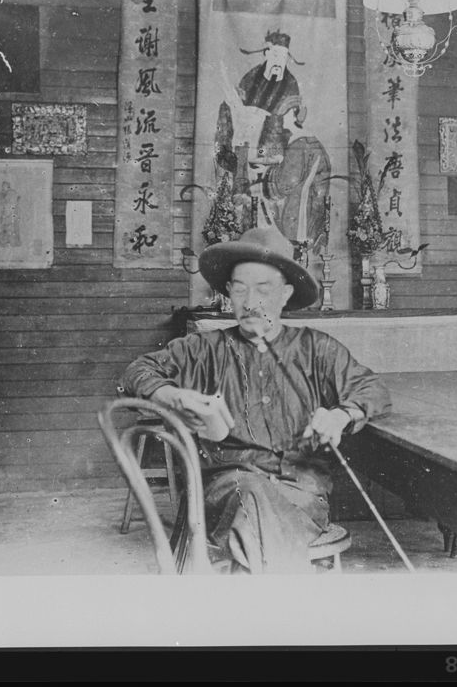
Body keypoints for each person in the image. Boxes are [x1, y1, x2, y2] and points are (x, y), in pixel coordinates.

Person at [119, 227, 391, 574]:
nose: (250, 302)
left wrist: (341, 415)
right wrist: (171, 395)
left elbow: (372, 388)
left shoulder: (317, 349)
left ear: (285, 294)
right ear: (228, 293)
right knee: (249, 495)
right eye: (240, 289)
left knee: (253, 526)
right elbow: (137, 370)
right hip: (227, 489)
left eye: (263, 289)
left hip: (299, 496)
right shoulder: (204, 349)